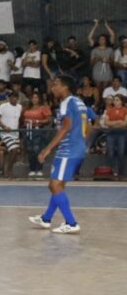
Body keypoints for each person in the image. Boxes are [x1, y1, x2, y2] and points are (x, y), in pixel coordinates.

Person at [31, 75, 89, 234]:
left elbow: (66, 127)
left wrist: (47, 149)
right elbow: (89, 121)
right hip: (77, 147)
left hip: (68, 149)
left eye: (56, 84)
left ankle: (71, 223)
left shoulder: (66, 103)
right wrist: (83, 141)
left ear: (65, 87)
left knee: (54, 185)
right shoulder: (79, 102)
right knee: (58, 185)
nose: (52, 88)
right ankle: (46, 218)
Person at [0, 94, 23, 178]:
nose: (14, 99)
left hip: (15, 133)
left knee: (15, 152)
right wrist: (4, 126)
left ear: (17, 98)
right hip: (5, 133)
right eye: (12, 97)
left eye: (15, 97)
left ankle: (8, 169)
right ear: (9, 98)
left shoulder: (19, 107)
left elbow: (19, 119)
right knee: (14, 149)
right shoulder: (3, 106)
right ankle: (9, 170)